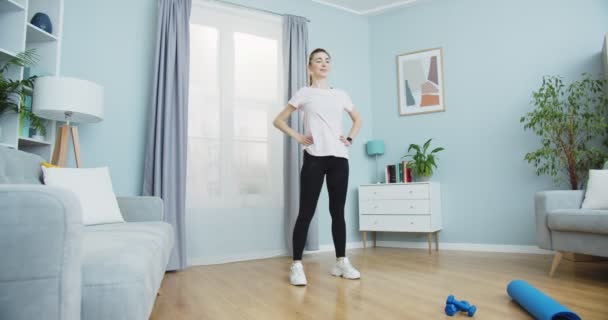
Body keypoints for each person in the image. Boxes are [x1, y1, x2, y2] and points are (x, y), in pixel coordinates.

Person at [272, 48, 363, 286]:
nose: (323, 64)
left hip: (339, 158)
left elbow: (357, 119)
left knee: (338, 213)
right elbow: (278, 120)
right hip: (314, 157)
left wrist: (350, 139)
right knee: (306, 213)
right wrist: (299, 136)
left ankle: (341, 261)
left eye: (327, 61)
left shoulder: (341, 94)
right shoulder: (304, 92)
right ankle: (296, 265)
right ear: (309, 67)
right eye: (318, 61)